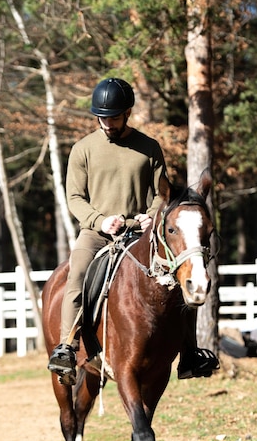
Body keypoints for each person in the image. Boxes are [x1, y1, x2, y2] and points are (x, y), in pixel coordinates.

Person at [48, 77, 219, 385]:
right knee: (77, 273)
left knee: (182, 274)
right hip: (96, 231)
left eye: (113, 116)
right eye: (102, 117)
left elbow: (161, 193)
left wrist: (150, 217)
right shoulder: (82, 149)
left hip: (141, 232)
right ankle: (68, 346)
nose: (107, 123)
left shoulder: (148, 148)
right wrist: (100, 221)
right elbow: (74, 197)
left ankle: (190, 353)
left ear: (127, 113)